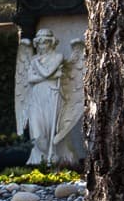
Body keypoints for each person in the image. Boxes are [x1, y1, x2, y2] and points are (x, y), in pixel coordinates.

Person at [14, 27, 84, 165]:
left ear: (51, 43)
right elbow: (30, 79)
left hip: (52, 95)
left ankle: (56, 158)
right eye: (39, 43)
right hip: (36, 96)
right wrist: (50, 74)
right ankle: (41, 159)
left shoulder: (58, 57)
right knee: (37, 134)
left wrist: (39, 70)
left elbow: (46, 73)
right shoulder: (34, 59)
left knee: (54, 131)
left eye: (45, 42)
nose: (42, 46)